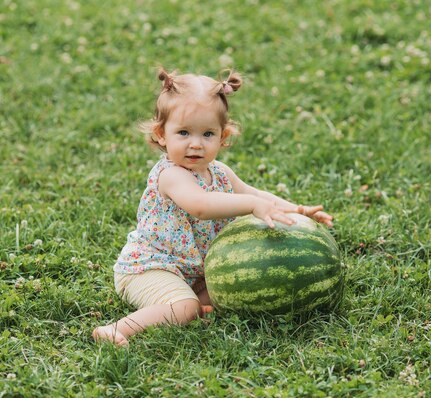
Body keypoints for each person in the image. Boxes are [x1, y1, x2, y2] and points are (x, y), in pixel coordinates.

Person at [92, 69, 333, 346]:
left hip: (195, 271)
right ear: (161, 135)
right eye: (183, 132)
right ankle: (117, 329)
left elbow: (258, 194)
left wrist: (298, 210)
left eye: (207, 134)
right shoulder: (171, 175)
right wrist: (252, 205)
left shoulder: (220, 173)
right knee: (186, 307)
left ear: (223, 137)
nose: (195, 144)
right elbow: (201, 206)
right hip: (150, 269)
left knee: (223, 297)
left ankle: (195, 305)